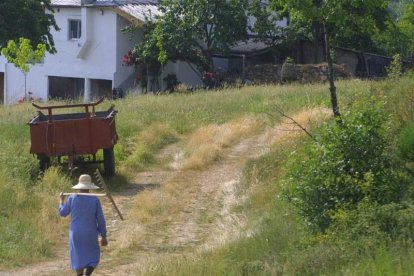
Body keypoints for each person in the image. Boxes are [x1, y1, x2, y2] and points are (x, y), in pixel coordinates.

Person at [59, 174, 108, 276]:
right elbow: (100, 219)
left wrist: (61, 200)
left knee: (78, 256)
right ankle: (88, 273)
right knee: (94, 256)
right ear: (89, 187)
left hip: (75, 232)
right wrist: (103, 235)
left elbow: (63, 213)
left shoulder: (72, 198)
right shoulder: (94, 200)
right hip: (90, 232)